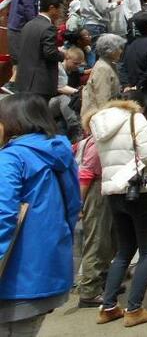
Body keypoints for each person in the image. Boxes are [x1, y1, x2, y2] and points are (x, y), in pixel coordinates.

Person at [0, 94, 81, 335]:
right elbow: (73, 206)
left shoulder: (11, 158)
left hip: (14, 279)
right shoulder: (58, 153)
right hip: (46, 272)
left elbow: (3, 214)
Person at [90, 97, 147, 327]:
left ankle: (109, 306)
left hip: (114, 189)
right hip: (137, 189)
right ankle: (134, 309)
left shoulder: (98, 122)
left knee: (124, 250)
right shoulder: (136, 119)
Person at [75, 104, 115, 308]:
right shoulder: (94, 144)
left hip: (99, 189)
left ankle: (104, 280)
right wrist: (80, 203)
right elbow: (86, 174)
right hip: (94, 191)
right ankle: (89, 289)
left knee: (106, 239)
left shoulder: (89, 142)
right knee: (96, 240)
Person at [14, 0, 65, 100]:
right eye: (59, 9)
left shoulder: (28, 25)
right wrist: (62, 54)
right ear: (52, 8)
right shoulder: (48, 28)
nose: (61, 13)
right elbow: (50, 53)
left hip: (23, 81)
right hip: (40, 84)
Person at [6, 0, 43, 80]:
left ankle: (13, 87)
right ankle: (12, 85)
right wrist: (35, 26)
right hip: (21, 29)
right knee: (23, 61)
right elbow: (29, 8)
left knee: (16, 62)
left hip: (12, 28)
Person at [79, 0, 121, 66]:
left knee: (90, 52)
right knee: (96, 54)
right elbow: (103, 8)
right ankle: (94, 76)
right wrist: (116, 3)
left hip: (88, 23)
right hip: (96, 24)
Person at [82, 34, 126, 119]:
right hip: (101, 116)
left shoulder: (108, 65)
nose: (121, 51)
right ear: (111, 50)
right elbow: (102, 98)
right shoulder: (103, 68)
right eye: (119, 48)